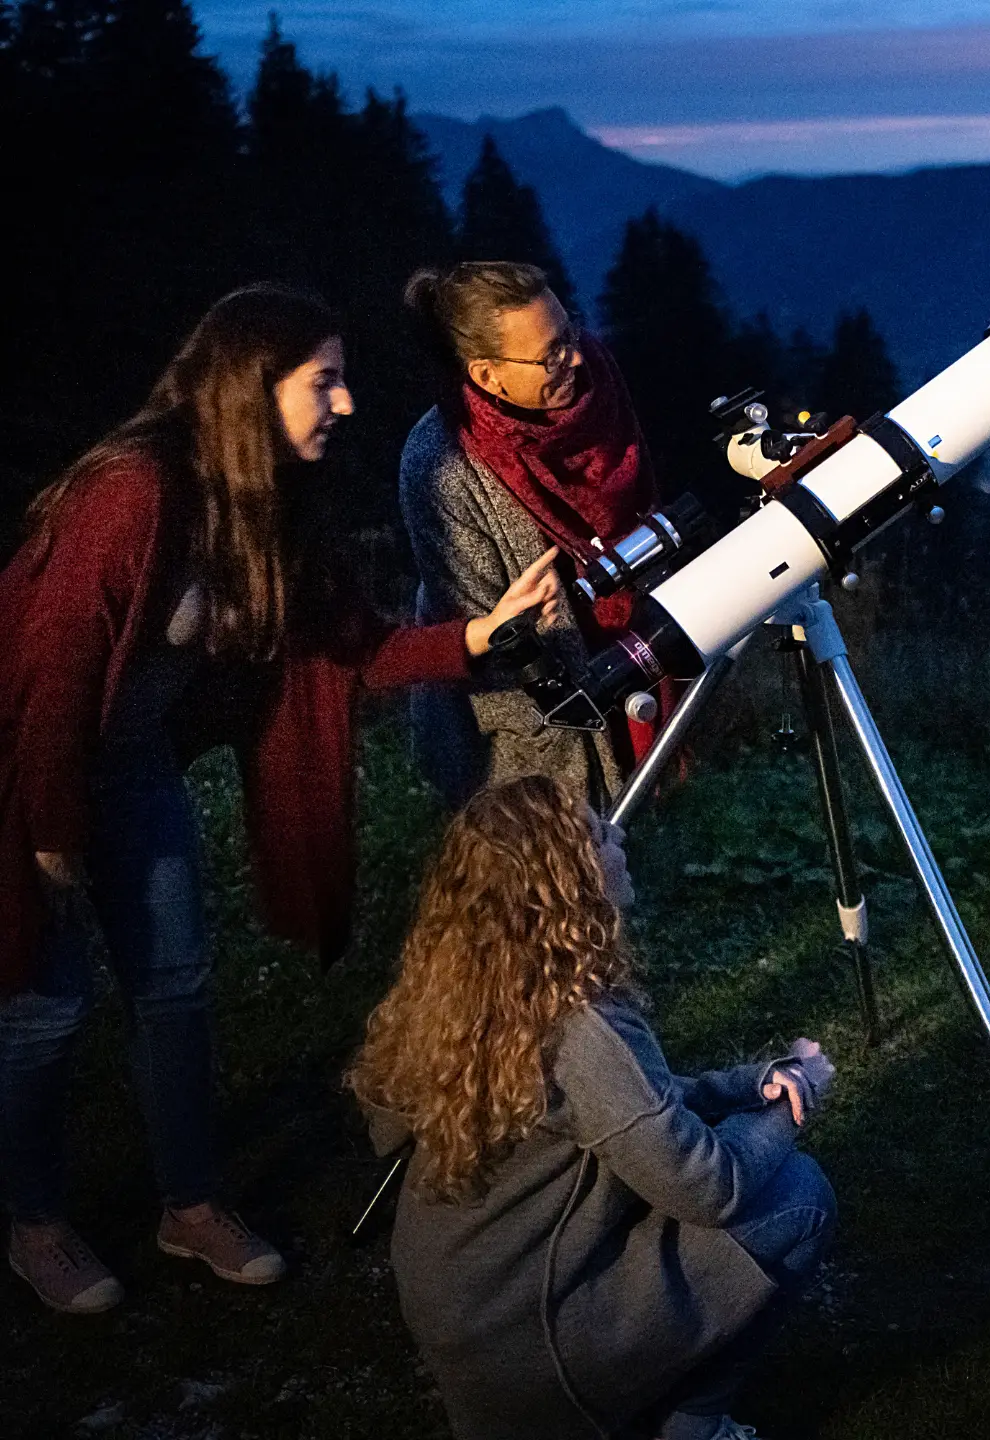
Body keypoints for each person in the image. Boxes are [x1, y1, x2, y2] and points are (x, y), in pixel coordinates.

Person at [0, 285, 563, 1316]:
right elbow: (53, 666)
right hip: (20, 764)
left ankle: (191, 1205)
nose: (345, 403)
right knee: (43, 1010)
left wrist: (484, 635)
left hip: (128, 769)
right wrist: (48, 832)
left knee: (174, 985)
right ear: (249, 389)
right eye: (324, 381)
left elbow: (355, 648)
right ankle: (33, 1223)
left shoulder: (266, 505)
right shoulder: (133, 491)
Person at [348, 776, 836, 1440]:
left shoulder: (475, 993)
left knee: (708, 1157)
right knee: (801, 1195)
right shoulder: (581, 1028)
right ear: (567, 881)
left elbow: (636, 1108)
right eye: (600, 835)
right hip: (532, 1353)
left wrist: (753, 1085)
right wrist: (800, 1096)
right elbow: (707, 1187)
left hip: (472, 1328)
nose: (620, 837)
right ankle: (693, 1428)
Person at [400, 261, 672, 810]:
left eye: (569, 331)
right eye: (550, 353)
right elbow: (480, 638)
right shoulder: (442, 464)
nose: (573, 356)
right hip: (513, 750)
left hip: (624, 680)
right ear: (487, 376)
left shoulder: (600, 394)